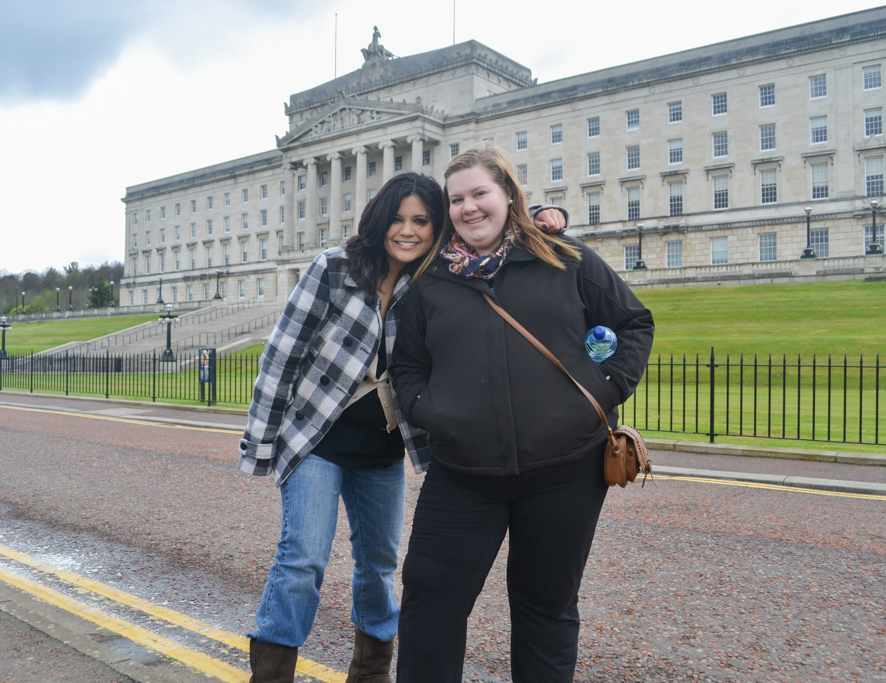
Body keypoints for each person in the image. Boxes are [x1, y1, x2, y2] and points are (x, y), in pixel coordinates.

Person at [236, 170, 567, 683]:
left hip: (384, 451)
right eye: (398, 219)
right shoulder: (333, 268)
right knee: (302, 562)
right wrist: (261, 445)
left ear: (437, 229)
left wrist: (546, 216)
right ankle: (272, 676)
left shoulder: (437, 277)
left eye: (421, 221)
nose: (408, 231)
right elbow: (281, 358)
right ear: (378, 221)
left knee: (380, 566)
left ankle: (369, 673)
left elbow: (486, 218)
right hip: (315, 443)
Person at [390, 144, 654, 683]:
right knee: (429, 603)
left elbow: (634, 324)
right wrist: (431, 411)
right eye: (457, 199)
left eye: (480, 193)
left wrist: (602, 392)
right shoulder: (429, 282)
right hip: (463, 477)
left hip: (566, 473)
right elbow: (408, 366)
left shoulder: (567, 260)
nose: (469, 208)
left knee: (545, 610)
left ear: (508, 194)